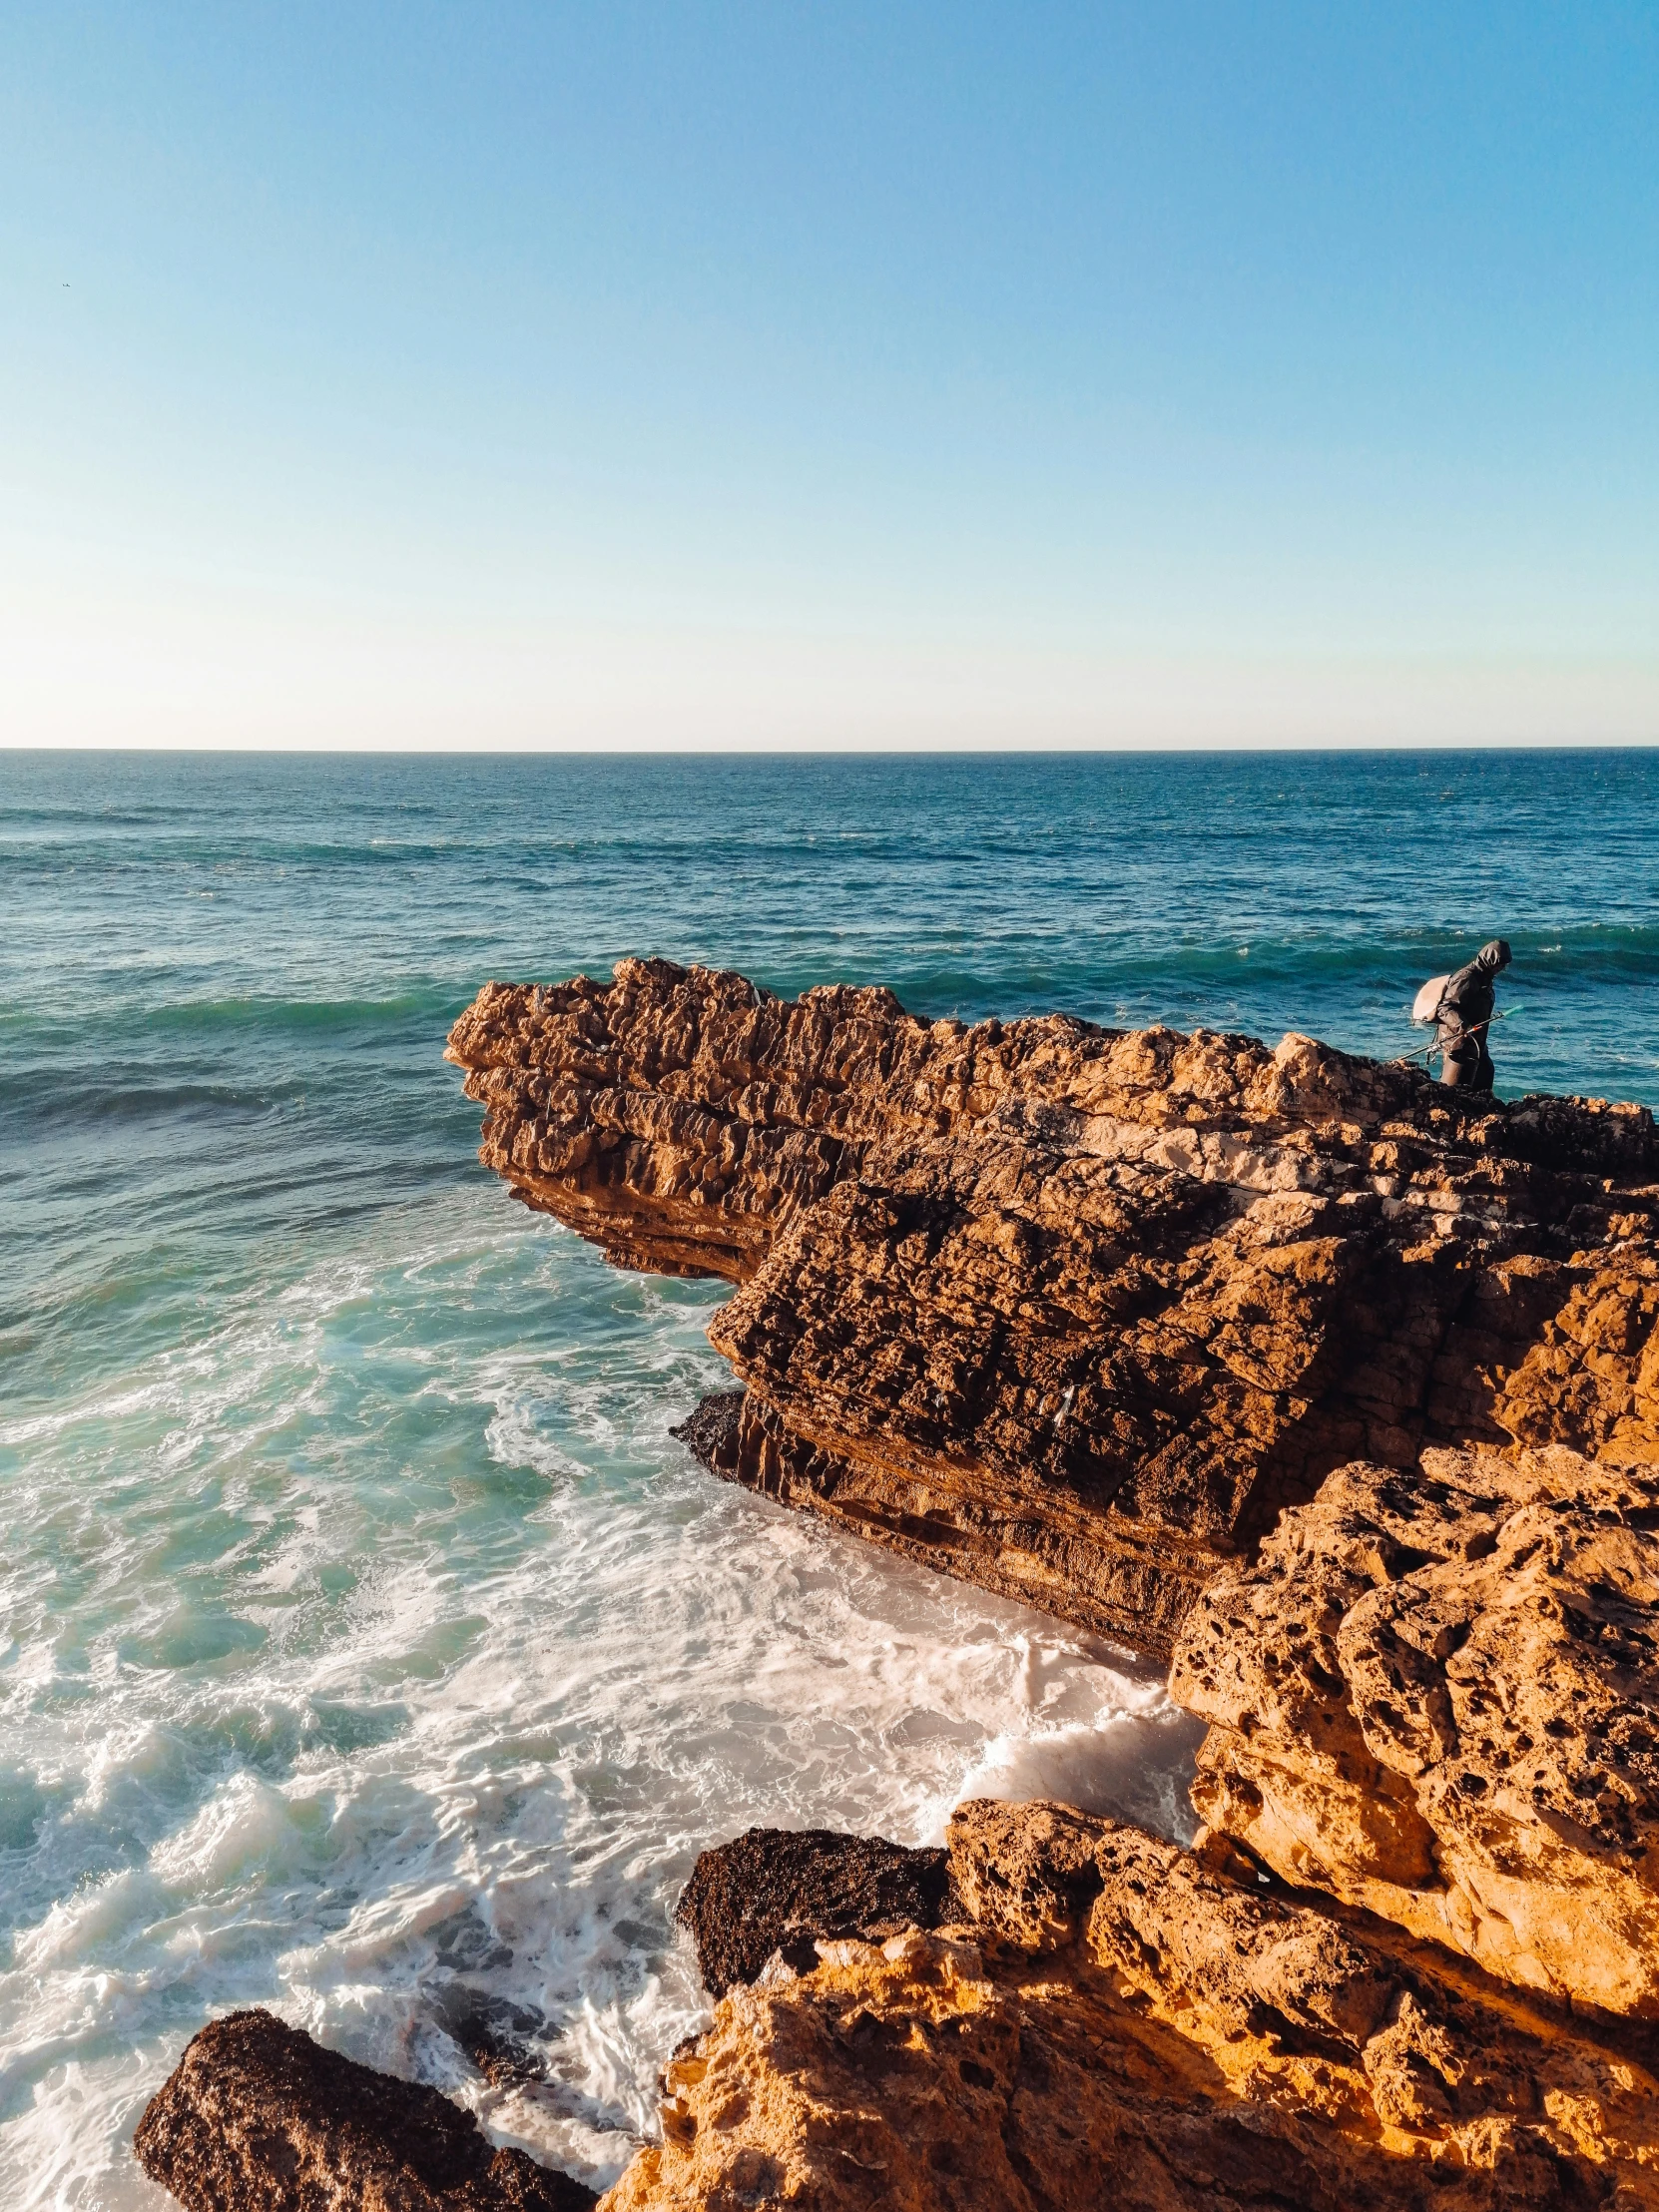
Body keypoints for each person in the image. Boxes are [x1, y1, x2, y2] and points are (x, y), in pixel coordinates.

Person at [1434, 939, 1511, 1089]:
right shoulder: (1467, 978)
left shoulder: (1485, 978)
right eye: (1500, 964)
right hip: (1457, 1042)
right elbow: (1445, 1008)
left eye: (1504, 965)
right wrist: (1463, 1027)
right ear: (1490, 960)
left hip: (1476, 1042)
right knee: (1457, 1086)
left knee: (1485, 1075)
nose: (1501, 968)